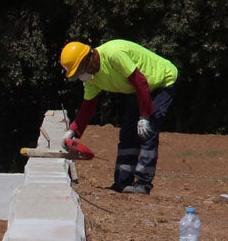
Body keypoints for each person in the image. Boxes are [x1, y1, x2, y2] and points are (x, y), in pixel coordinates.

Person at [60, 40, 180, 195]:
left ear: (89, 58)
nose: (81, 76)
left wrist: (144, 117)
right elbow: (88, 106)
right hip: (139, 88)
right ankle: (122, 181)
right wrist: (72, 131)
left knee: (147, 131)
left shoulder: (114, 54)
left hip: (162, 81)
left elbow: (140, 81)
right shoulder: (92, 80)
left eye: (80, 71)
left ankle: (143, 184)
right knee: (128, 132)